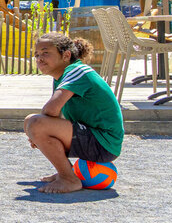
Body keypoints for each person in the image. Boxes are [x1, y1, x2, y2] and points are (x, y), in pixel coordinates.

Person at [24, 33, 124, 194]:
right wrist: (38, 133)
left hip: (104, 143)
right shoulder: (61, 76)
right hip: (91, 138)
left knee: (36, 123)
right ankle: (67, 172)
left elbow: (50, 110)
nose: (39, 59)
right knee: (31, 121)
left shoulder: (77, 70)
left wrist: (39, 132)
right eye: (37, 55)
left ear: (66, 55)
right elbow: (56, 114)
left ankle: (69, 179)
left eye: (45, 53)